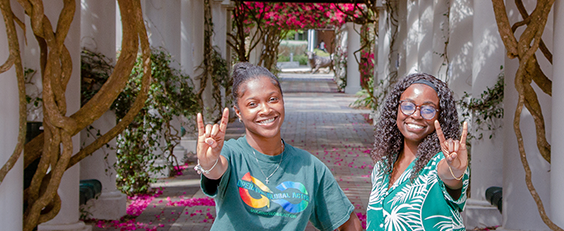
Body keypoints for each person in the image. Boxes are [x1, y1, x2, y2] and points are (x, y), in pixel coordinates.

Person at [196, 62, 362, 231]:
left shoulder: (309, 167)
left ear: (283, 101)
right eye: (252, 104)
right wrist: (208, 164)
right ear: (238, 112)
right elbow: (216, 170)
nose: (266, 110)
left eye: (273, 99)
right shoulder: (230, 153)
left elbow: (350, 225)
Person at [366, 73, 469, 231]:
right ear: (396, 109)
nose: (416, 115)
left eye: (428, 109)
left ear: (440, 116)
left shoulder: (444, 161)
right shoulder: (382, 167)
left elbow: (450, 177)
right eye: (408, 106)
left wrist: (454, 170)